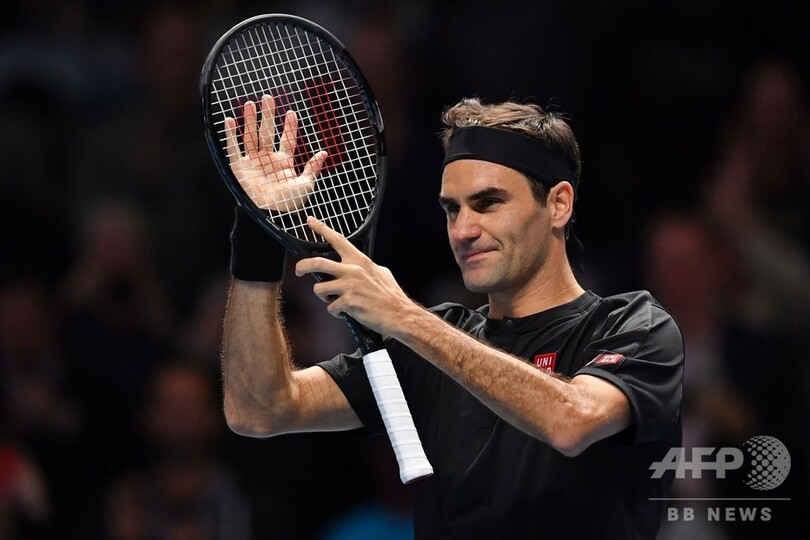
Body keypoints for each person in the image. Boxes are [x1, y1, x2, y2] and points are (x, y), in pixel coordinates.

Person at [219, 97, 684, 539]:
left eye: (489, 203)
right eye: (451, 209)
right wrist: (257, 235)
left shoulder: (635, 326)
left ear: (558, 204)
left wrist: (406, 318)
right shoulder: (429, 344)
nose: (463, 230)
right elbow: (259, 410)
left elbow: (572, 421)